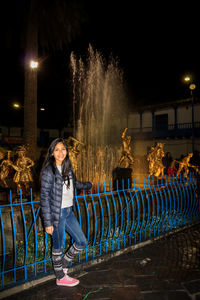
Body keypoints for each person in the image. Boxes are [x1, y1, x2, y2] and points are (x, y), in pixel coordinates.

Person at [40, 138, 92, 287]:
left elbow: (74, 184)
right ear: (51, 153)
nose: (60, 152)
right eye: (56, 149)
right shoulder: (48, 171)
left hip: (69, 211)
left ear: (67, 151)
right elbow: (44, 197)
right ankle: (60, 277)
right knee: (58, 246)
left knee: (82, 241)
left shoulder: (67, 167)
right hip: (57, 213)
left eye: (63, 149)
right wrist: (48, 222)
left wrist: (88, 185)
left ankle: (62, 265)